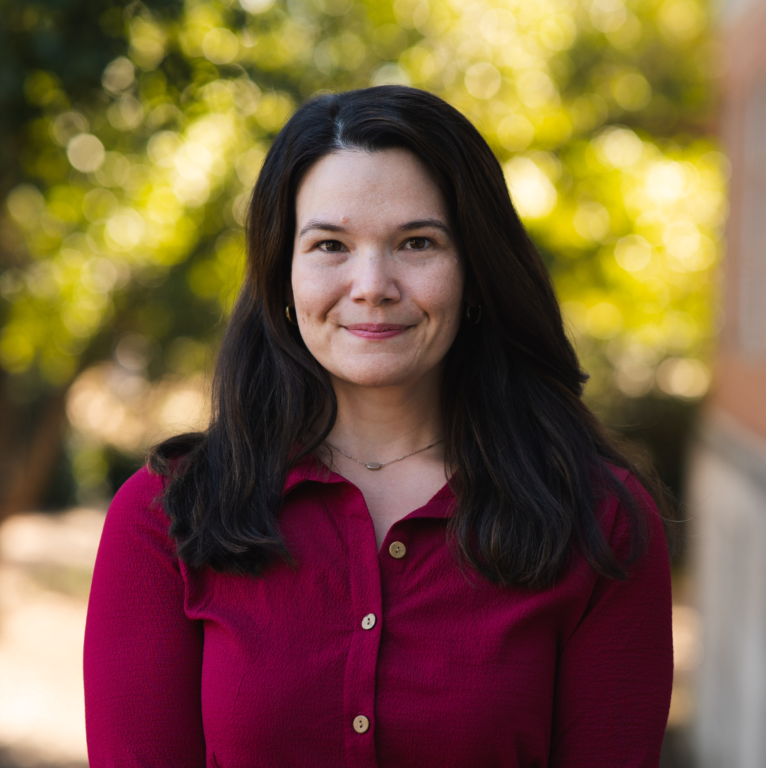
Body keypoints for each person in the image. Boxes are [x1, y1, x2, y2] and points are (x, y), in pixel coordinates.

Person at [84, 85, 674, 767]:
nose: (372, 284)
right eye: (330, 244)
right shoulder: (167, 518)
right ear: (282, 274)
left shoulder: (600, 522)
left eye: (417, 243)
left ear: (475, 271)